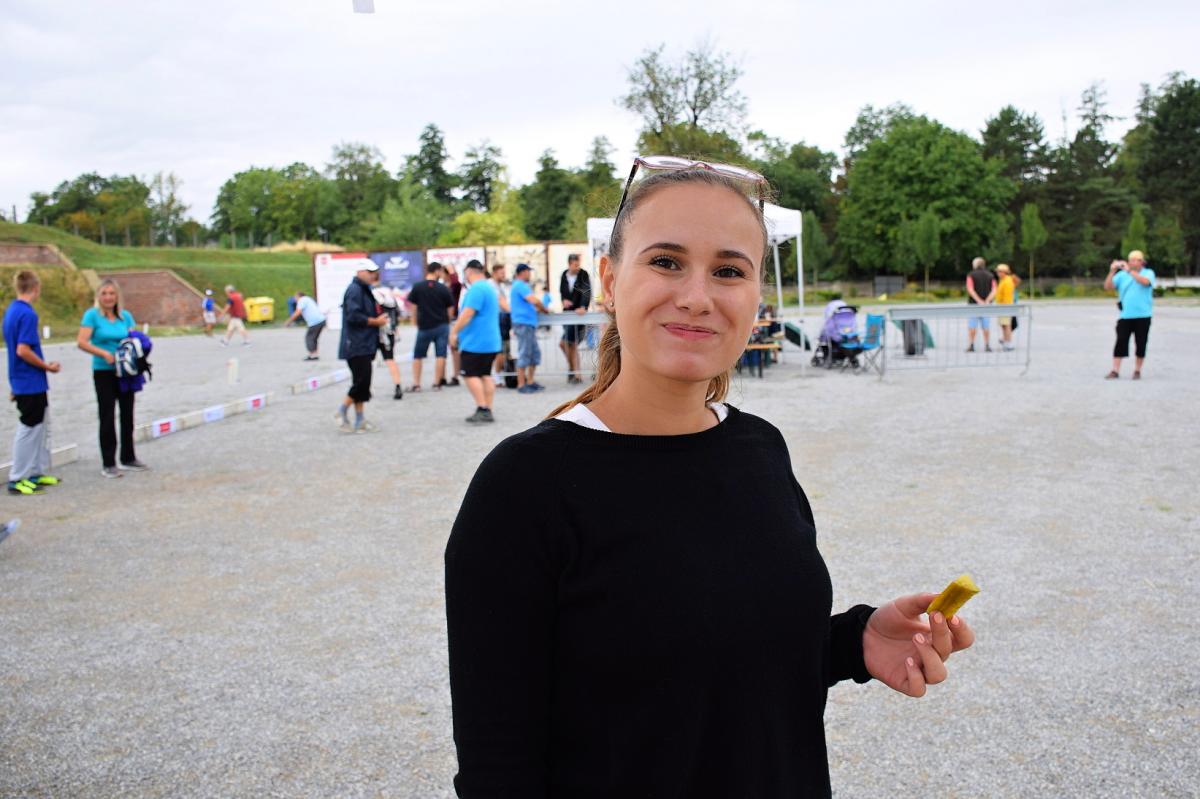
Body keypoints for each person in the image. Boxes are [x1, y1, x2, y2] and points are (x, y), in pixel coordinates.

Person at [446, 160, 976, 797]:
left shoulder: (760, 448)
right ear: (609, 280)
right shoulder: (525, 486)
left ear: (756, 297)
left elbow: (730, 663)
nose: (698, 296)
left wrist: (852, 642)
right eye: (666, 261)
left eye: (729, 271)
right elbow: (497, 765)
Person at [76, 279, 147, 477]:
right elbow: (82, 342)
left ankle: (128, 456)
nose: (108, 297)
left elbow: (133, 339)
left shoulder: (125, 316)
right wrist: (103, 353)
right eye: (104, 293)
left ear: (117, 296)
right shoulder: (92, 316)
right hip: (104, 370)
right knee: (107, 415)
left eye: (112, 293)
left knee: (127, 414)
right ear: (98, 296)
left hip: (125, 371)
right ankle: (108, 462)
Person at [4, 271, 62, 495]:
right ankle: (17, 477)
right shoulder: (28, 314)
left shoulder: (11, 310)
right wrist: (47, 367)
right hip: (29, 381)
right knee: (29, 428)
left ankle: (35, 472)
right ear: (36, 288)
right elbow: (22, 350)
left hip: (25, 381)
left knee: (41, 426)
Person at [335, 261, 388, 432]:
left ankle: (360, 419)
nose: (373, 275)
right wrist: (375, 322)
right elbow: (353, 316)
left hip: (364, 342)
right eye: (370, 272)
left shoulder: (363, 289)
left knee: (362, 382)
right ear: (359, 271)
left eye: (374, 272)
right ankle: (342, 410)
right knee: (361, 382)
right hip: (356, 343)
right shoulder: (355, 290)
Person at [449, 261, 500, 424]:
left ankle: (482, 407)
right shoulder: (489, 287)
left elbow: (467, 313)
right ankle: (488, 408)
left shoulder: (476, 289)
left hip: (476, 342)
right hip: (490, 341)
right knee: (485, 375)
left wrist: (454, 331)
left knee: (470, 374)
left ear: (469, 271)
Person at [1104, 249, 1156, 380]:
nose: (1132, 262)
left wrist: (1129, 271)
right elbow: (1108, 286)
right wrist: (1112, 271)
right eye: (1130, 260)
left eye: (1135, 260)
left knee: (1141, 343)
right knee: (1120, 341)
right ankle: (1115, 370)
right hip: (1126, 315)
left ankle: (1137, 370)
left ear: (1141, 262)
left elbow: (1145, 282)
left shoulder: (1148, 273)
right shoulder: (1122, 275)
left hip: (1143, 315)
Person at [406, 261, 455, 392]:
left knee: (418, 355)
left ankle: (416, 384)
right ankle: (437, 383)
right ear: (437, 271)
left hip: (424, 326)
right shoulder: (443, 288)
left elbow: (413, 307)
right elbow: (450, 307)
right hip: (442, 325)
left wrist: (415, 321)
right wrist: (448, 320)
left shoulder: (418, 287)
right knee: (441, 354)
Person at [509, 263, 546, 394]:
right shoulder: (520, 285)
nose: (530, 274)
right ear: (522, 272)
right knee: (524, 353)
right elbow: (533, 300)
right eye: (528, 271)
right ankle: (521, 384)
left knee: (534, 353)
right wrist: (544, 308)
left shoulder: (520, 285)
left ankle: (530, 381)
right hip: (523, 323)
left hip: (527, 323)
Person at [559, 252, 592, 383]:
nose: (577, 267)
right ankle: (574, 371)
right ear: (569, 264)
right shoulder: (564, 274)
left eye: (578, 264)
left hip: (578, 315)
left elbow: (586, 291)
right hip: (567, 314)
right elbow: (562, 291)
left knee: (568, 343)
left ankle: (575, 372)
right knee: (568, 344)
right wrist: (564, 301)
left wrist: (583, 306)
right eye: (575, 265)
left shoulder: (583, 274)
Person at [372, 283, 404, 400]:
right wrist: (395, 329)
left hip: (374, 331)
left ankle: (367, 388)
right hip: (388, 331)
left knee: (368, 361)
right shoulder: (389, 294)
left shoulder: (371, 294)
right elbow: (397, 313)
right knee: (390, 359)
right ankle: (398, 385)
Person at [283, 291, 326, 360]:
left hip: (315, 322)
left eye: (295, 297)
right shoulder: (308, 299)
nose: (294, 299)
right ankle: (315, 354)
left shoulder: (301, 300)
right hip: (321, 320)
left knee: (309, 338)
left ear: (298, 296)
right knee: (314, 338)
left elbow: (298, 312)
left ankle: (312, 355)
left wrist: (288, 321)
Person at [965, 257, 996, 352]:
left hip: (973, 305)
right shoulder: (991, 275)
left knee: (972, 326)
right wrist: (987, 301)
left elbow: (970, 289)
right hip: (986, 305)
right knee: (986, 326)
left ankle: (971, 344)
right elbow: (994, 290)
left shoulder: (971, 275)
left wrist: (979, 301)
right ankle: (987, 345)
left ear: (975, 265)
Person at [489, 263, 513, 387]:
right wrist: (514, 313)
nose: (504, 275)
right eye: (501, 273)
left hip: (502, 319)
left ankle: (499, 374)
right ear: (494, 273)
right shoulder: (492, 286)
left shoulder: (500, 286)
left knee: (504, 349)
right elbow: (502, 303)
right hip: (498, 319)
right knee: (501, 349)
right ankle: (496, 376)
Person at [444, 263, 465, 387]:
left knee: (455, 348)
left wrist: (451, 270)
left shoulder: (454, 286)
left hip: (455, 320)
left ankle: (457, 375)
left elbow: (456, 284)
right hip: (446, 321)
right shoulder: (445, 286)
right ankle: (454, 374)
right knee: (452, 349)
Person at [993, 264, 1022, 351]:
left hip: (1005, 307)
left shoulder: (1007, 281)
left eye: (999, 271)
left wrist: (1005, 307)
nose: (997, 273)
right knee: (1004, 325)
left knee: (1007, 326)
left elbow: (1007, 296)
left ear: (1004, 272)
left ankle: (1008, 343)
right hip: (1001, 306)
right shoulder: (1003, 280)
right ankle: (1005, 342)